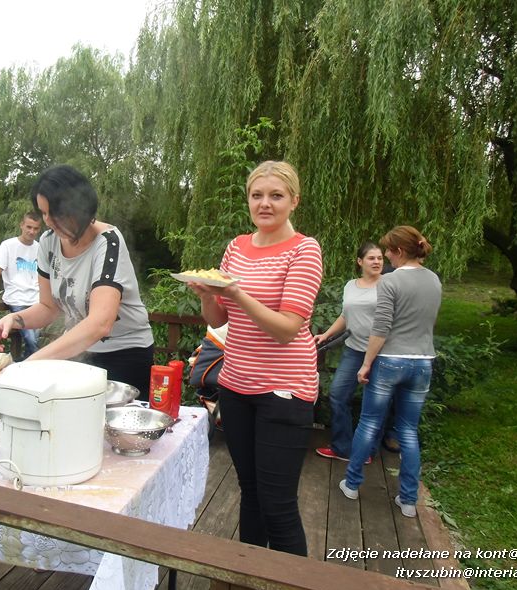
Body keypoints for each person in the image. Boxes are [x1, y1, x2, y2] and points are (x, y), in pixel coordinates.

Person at [187, 160, 322, 557]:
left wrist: (236, 292)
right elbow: (219, 321)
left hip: (284, 391)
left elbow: (286, 329)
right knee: (249, 493)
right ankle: (250, 587)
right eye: (257, 195)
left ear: (293, 201)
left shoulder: (305, 250)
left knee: (278, 507)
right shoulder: (236, 247)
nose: (265, 203)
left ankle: (290, 588)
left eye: (276, 196)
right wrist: (210, 297)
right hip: (235, 385)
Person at [0, 165, 154, 400]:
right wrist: (14, 319)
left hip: (125, 355)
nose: (49, 222)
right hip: (79, 352)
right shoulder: (48, 242)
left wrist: (31, 363)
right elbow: (48, 307)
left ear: (80, 205)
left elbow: (100, 323)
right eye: (44, 213)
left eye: (55, 213)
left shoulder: (108, 243)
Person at [338, 226, 441, 518]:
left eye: (388, 251)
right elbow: (428, 321)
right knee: (408, 430)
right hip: (422, 362)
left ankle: (352, 483)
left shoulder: (390, 282)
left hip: (390, 361)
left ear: (398, 251)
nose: (385, 257)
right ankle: (408, 500)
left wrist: (367, 363)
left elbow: (381, 327)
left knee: (369, 422)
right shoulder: (434, 280)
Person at [314, 241, 384, 464]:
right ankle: (342, 448)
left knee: (375, 403)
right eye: (371, 258)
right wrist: (326, 335)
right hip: (354, 351)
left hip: (382, 353)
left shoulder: (389, 285)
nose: (377, 262)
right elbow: (346, 316)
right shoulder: (351, 285)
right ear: (360, 262)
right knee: (337, 395)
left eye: (380, 258)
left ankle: (367, 451)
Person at [0, 211, 42, 359]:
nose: (32, 231)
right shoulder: (8, 245)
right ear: (21, 225)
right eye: (29, 227)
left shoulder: (40, 248)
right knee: (31, 340)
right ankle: (28, 368)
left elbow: (44, 276)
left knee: (34, 341)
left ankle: (24, 368)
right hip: (17, 299)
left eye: (36, 228)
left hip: (37, 301)